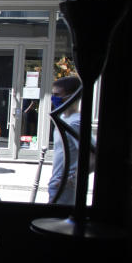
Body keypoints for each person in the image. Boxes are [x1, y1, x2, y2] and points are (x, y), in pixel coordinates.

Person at [48, 75, 86, 205]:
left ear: (72, 97)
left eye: (57, 94)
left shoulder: (76, 123)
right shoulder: (64, 118)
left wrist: (71, 178)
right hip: (58, 183)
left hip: (63, 187)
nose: (53, 98)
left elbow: (92, 155)